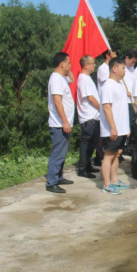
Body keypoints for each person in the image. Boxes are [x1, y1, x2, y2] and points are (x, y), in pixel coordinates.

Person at [99, 57, 131, 195]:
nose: (125, 71)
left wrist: (126, 128)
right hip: (112, 129)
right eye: (123, 68)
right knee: (108, 155)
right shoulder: (108, 85)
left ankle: (114, 180)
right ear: (114, 68)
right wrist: (113, 127)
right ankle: (107, 184)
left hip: (122, 129)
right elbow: (107, 108)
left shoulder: (119, 84)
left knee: (116, 155)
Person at [46, 52, 75, 193]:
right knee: (58, 153)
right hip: (59, 124)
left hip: (63, 123)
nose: (70, 65)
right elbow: (57, 101)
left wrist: (68, 71)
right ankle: (51, 183)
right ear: (62, 64)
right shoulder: (56, 79)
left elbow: (72, 79)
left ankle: (58, 177)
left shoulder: (61, 78)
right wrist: (65, 121)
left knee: (62, 152)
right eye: (68, 62)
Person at [76, 55, 101, 179]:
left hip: (94, 116)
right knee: (87, 143)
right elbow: (90, 98)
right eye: (92, 63)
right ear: (86, 65)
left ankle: (87, 165)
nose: (94, 65)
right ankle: (82, 168)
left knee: (92, 143)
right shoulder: (83, 79)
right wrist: (101, 108)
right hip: (88, 117)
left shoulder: (87, 78)